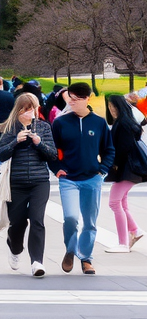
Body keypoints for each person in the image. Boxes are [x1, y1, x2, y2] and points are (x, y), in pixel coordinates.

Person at [52, 82, 114, 275]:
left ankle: (86, 258)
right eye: (69, 98)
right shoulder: (60, 122)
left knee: (90, 221)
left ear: (87, 98)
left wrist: (102, 171)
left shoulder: (99, 122)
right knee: (70, 217)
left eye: (76, 99)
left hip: (91, 179)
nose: (71, 102)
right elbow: (52, 151)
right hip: (68, 179)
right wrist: (56, 168)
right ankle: (70, 250)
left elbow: (109, 150)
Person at [0, 92, 57, 278]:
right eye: (25, 110)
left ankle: (37, 262)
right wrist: (16, 141)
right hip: (17, 183)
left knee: (37, 219)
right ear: (18, 111)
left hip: (39, 182)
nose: (29, 113)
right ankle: (14, 248)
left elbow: (52, 154)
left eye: (32, 109)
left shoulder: (44, 127)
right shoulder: (10, 128)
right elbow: (0, 154)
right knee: (18, 222)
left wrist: (39, 143)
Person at [103, 94, 145, 253]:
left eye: (113, 106)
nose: (111, 109)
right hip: (130, 169)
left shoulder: (123, 124)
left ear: (120, 106)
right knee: (122, 202)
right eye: (109, 106)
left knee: (114, 202)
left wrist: (114, 164)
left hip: (127, 169)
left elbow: (123, 149)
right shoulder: (125, 122)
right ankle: (135, 231)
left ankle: (123, 243)